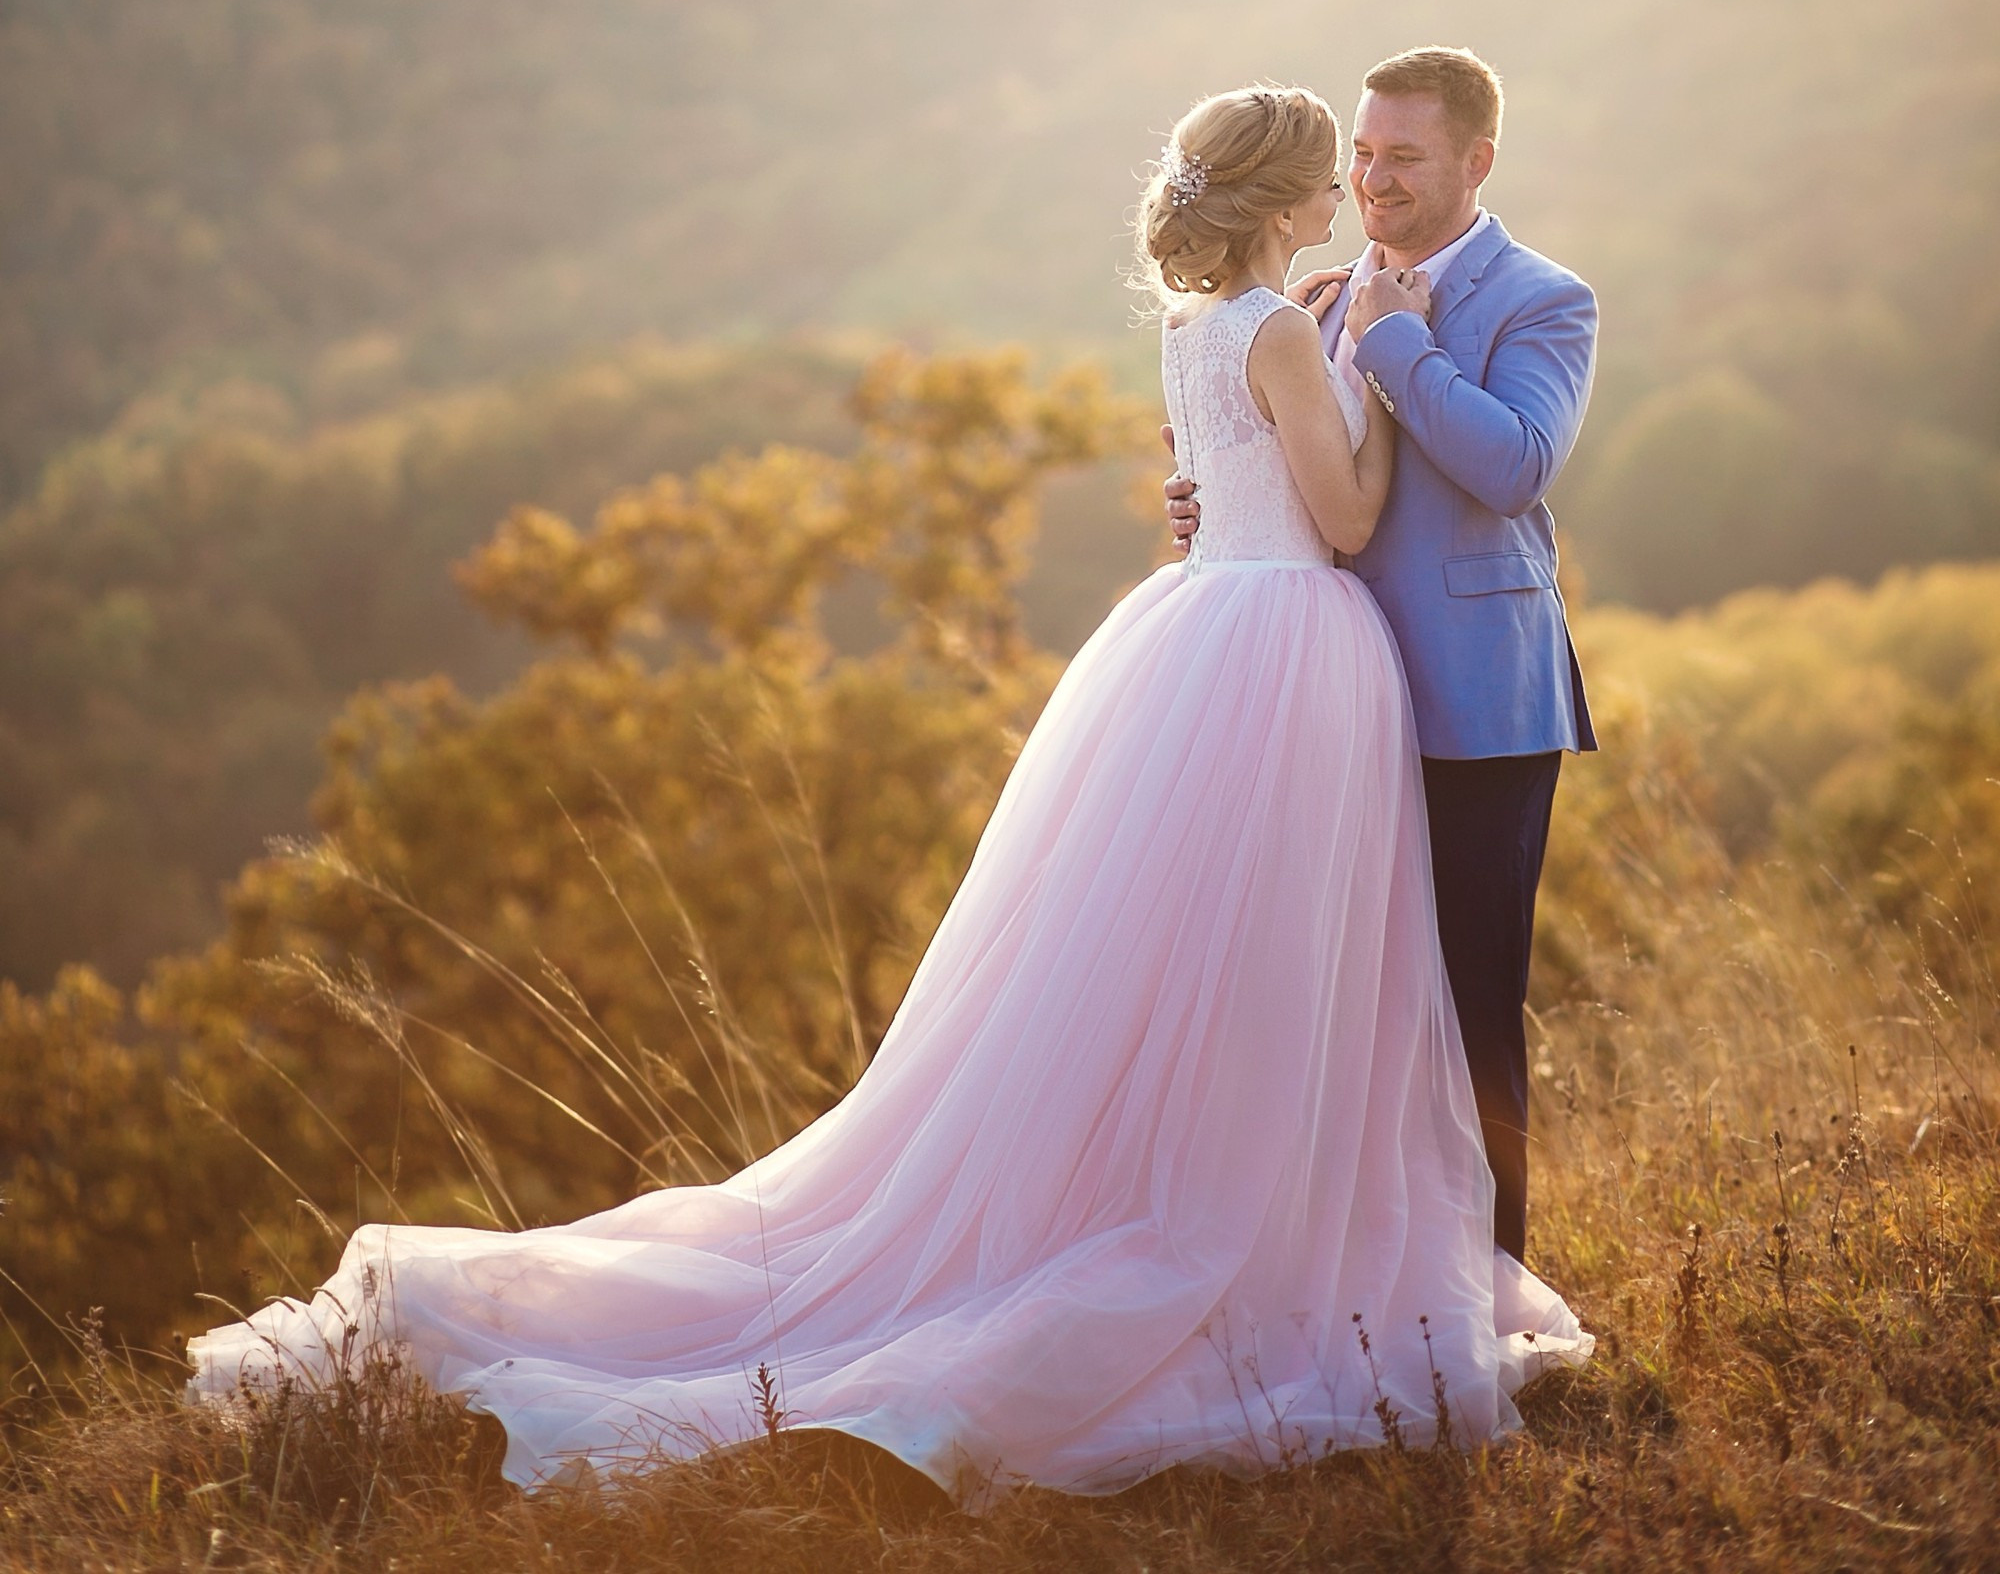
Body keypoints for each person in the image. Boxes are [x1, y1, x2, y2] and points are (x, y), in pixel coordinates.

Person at [190, 84, 1587, 1503]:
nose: (1355, 188)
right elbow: (1346, 519)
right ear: (1296, 196)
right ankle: (1260, 1244)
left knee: (1176, 975)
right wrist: (1381, 394)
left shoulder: (1198, 326)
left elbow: (1221, 480)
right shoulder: (1295, 323)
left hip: (1200, 638)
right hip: (1288, 653)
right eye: (1339, 169)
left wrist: (1267, 458)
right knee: (1280, 976)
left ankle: (1218, 1216)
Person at [1164, 48, 1597, 1265]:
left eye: (1401, 157)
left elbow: (1514, 464)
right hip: (1312, 701)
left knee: (1466, 1010)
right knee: (1319, 1007)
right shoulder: (1298, 302)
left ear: (1475, 162)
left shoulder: (1542, 299)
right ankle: (1343, 1275)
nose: (1370, 180)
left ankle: (1489, 1289)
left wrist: (1401, 349)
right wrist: (1199, 498)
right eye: (1360, 153)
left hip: (1471, 703)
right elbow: (1269, 463)